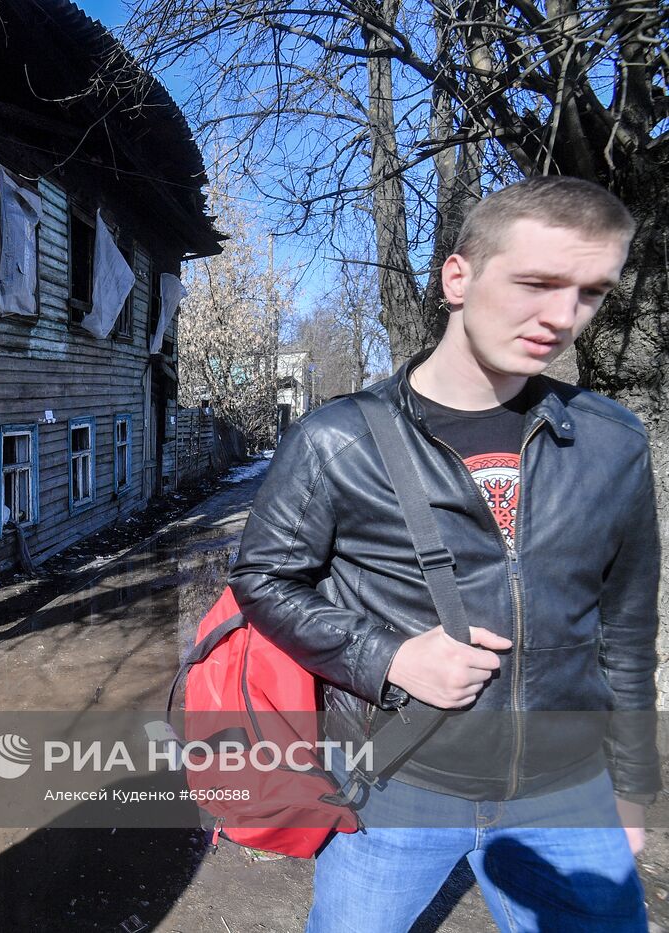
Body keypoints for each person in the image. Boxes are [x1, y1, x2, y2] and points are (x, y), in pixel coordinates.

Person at [228, 176, 660, 932]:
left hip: (568, 790)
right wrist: (387, 655)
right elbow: (263, 578)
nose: (562, 318)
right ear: (457, 276)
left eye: (591, 293)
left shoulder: (611, 441)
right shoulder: (338, 440)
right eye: (537, 282)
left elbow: (625, 628)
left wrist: (632, 790)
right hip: (398, 782)